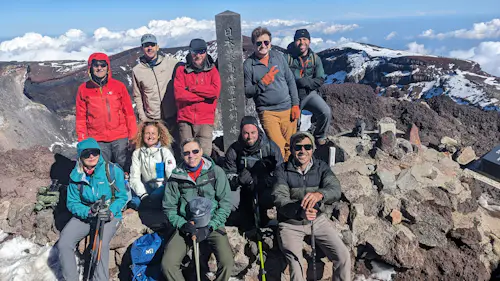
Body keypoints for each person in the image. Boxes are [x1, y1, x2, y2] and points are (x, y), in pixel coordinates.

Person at [273, 131, 351, 281]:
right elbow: (280, 199)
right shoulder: (281, 171)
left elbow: (335, 189)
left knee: (343, 256)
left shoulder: (321, 167)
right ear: (292, 149)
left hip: (317, 220)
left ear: (313, 149)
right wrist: (300, 211)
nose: (303, 151)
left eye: (307, 147)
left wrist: (320, 194)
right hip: (290, 224)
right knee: (296, 265)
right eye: (298, 147)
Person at [161, 138, 233, 281]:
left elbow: (225, 204)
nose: (191, 156)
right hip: (187, 226)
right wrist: (183, 225)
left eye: (195, 151)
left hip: (212, 224)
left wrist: (211, 226)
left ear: (201, 152)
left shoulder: (216, 172)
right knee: (168, 264)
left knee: (227, 262)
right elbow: (169, 208)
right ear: (182, 155)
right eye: (186, 153)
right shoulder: (176, 177)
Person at [57, 138, 128, 281]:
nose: (91, 156)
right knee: (64, 242)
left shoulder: (112, 170)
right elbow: (72, 203)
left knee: (99, 245)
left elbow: (122, 196)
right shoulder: (75, 176)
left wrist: (110, 212)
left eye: (94, 152)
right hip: (87, 213)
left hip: (108, 213)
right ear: (80, 156)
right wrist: (88, 212)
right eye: (86, 153)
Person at [244, 26, 300, 160]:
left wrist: (296, 104)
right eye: (258, 43)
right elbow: (247, 91)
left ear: (270, 43)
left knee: (291, 145)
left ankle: (291, 174)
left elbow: (290, 80)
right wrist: (263, 83)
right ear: (253, 45)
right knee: (278, 146)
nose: (262, 46)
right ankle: (282, 175)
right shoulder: (248, 65)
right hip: (267, 112)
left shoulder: (279, 57)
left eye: (266, 42)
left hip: (287, 108)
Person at [75, 52, 137, 170]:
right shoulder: (83, 89)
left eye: (103, 65)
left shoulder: (118, 86)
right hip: (97, 138)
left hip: (120, 136)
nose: (99, 68)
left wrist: (133, 136)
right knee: (102, 169)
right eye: (96, 65)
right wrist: (83, 140)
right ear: (90, 68)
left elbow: (129, 113)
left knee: (125, 166)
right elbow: (81, 118)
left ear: (108, 67)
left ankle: (127, 188)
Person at [223, 116, 283, 230]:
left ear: (258, 131)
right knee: (231, 202)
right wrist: (237, 179)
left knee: (277, 194)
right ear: (241, 133)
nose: (249, 136)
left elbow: (280, 171)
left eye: (253, 132)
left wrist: (270, 179)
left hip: (265, 185)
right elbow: (227, 175)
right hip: (243, 187)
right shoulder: (234, 150)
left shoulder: (270, 147)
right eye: (246, 133)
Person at [132, 34, 181, 157]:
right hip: (154, 119)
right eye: (146, 45)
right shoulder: (137, 70)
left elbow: (188, 67)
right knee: (160, 152)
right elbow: (137, 96)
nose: (150, 48)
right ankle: (163, 176)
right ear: (142, 48)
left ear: (157, 47)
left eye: (152, 45)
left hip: (173, 114)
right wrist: (143, 118)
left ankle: (178, 174)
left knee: (179, 147)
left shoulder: (171, 63)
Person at [174, 38, 221, 157]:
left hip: (205, 120)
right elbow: (179, 95)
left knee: (204, 155)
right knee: (187, 155)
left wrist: (191, 88)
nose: (198, 55)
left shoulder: (212, 71)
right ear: (190, 52)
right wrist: (204, 97)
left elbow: (215, 92)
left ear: (206, 52)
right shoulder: (181, 70)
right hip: (185, 119)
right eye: (195, 52)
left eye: (202, 51)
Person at [287, 29, 331, 145]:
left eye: (305, 39)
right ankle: (293, 143)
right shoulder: (287, 58)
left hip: (309, 94)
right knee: (293, 120)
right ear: (294, 41)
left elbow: (320, 79)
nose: (302, 42)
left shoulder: (315, 59)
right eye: (299, 40)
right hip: (292, 95)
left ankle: (319, 136)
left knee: (325, 112)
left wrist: (304, 82)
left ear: (309, 41)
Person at [129, 120, 176, 209]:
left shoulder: (165, 152)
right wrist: (143, 195)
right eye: (147, 133)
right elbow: (134, 177)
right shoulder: (137, 153)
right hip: (145, 187)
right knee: (135, 202)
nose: (150, 137)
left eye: (153, 133)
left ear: (158, 136)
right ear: (142, 135)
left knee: (157, 199)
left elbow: (171, 174)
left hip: (162, 187)